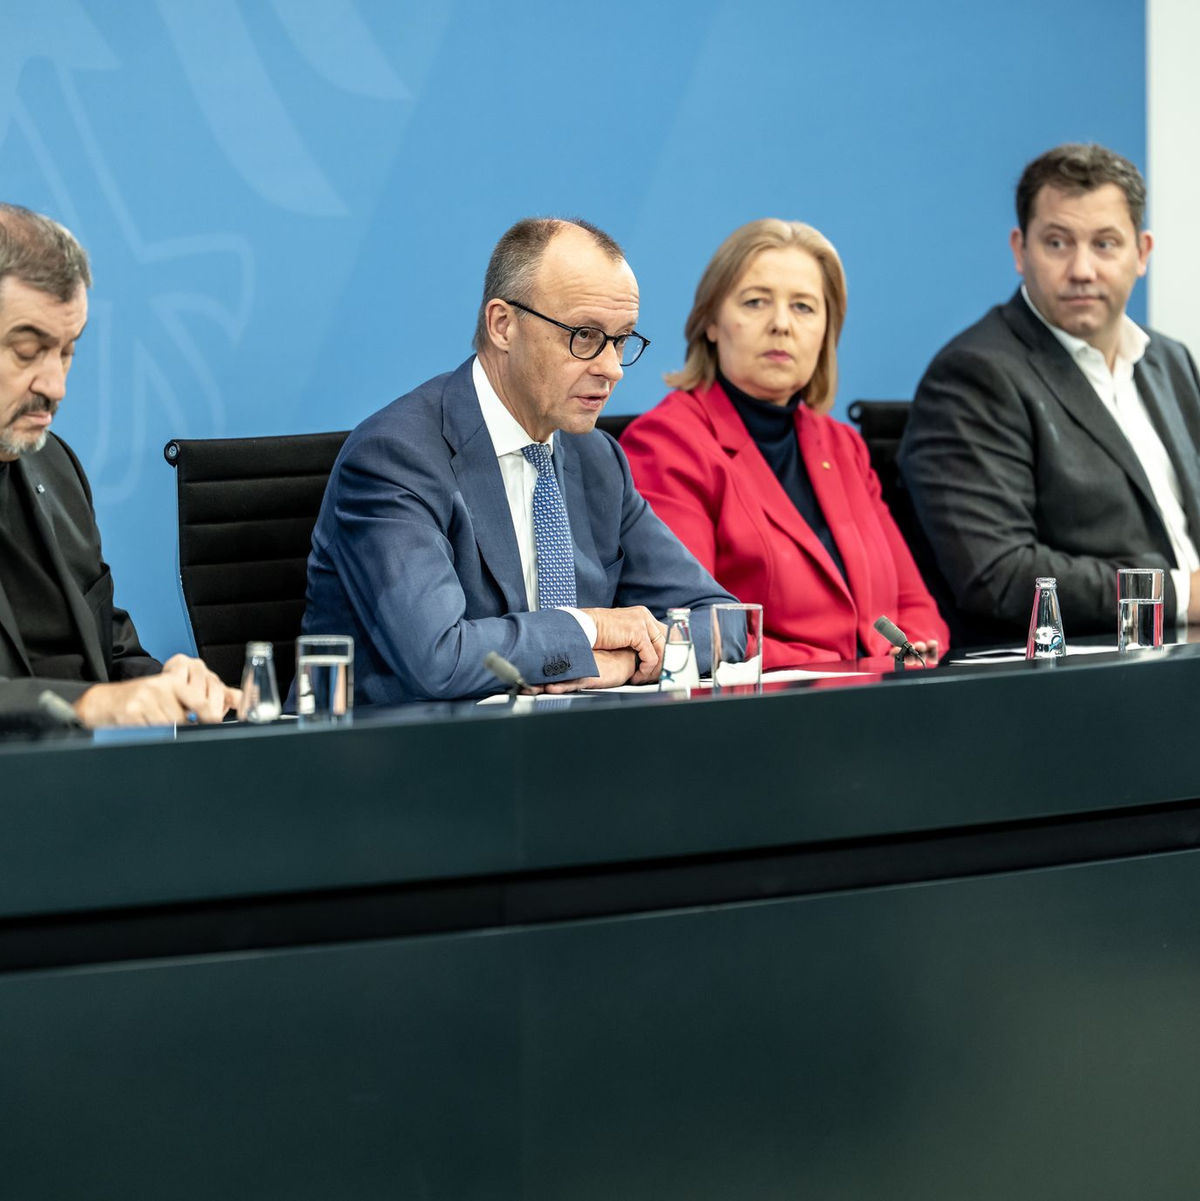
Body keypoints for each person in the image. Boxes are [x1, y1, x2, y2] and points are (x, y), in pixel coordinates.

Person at [300, 217, 735, 705]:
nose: (611, 368)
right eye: (585, 336)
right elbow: (439, 660)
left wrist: (622, 664)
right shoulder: (394, 457)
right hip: (392, 761)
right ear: (503, 325)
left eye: (622, 339)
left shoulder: (597, 459)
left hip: (559, 754)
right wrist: (587, 628)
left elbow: (725, 622)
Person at [899, 143, 1200, 644]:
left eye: (1105, 244)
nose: (1082, 269)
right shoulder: (974, 375)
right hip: (1085, 680)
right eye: (1058, 243)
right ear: (1020, 250)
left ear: (1142, 253)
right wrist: (1180, 596)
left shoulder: (1170, 362)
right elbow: (999, 576)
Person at [619, 219, 947, 667]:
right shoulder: (669, 445)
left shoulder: (843, 446)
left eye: (804, 307)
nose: (781, 325)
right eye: (756, 302)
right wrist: (828, 665)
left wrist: (918, 646)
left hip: (879, 703)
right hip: (763, 712)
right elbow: (684, 627)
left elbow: (914, 603)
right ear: (711, 323)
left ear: (826, 333)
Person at [0, 204, 238, 727]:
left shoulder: (56, 467)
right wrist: (85, 704)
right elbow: (90, 696)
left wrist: (166, 686)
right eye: (26, 351)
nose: (55, 387)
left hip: (76, 792)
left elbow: (108, 650)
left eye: (66, 353)